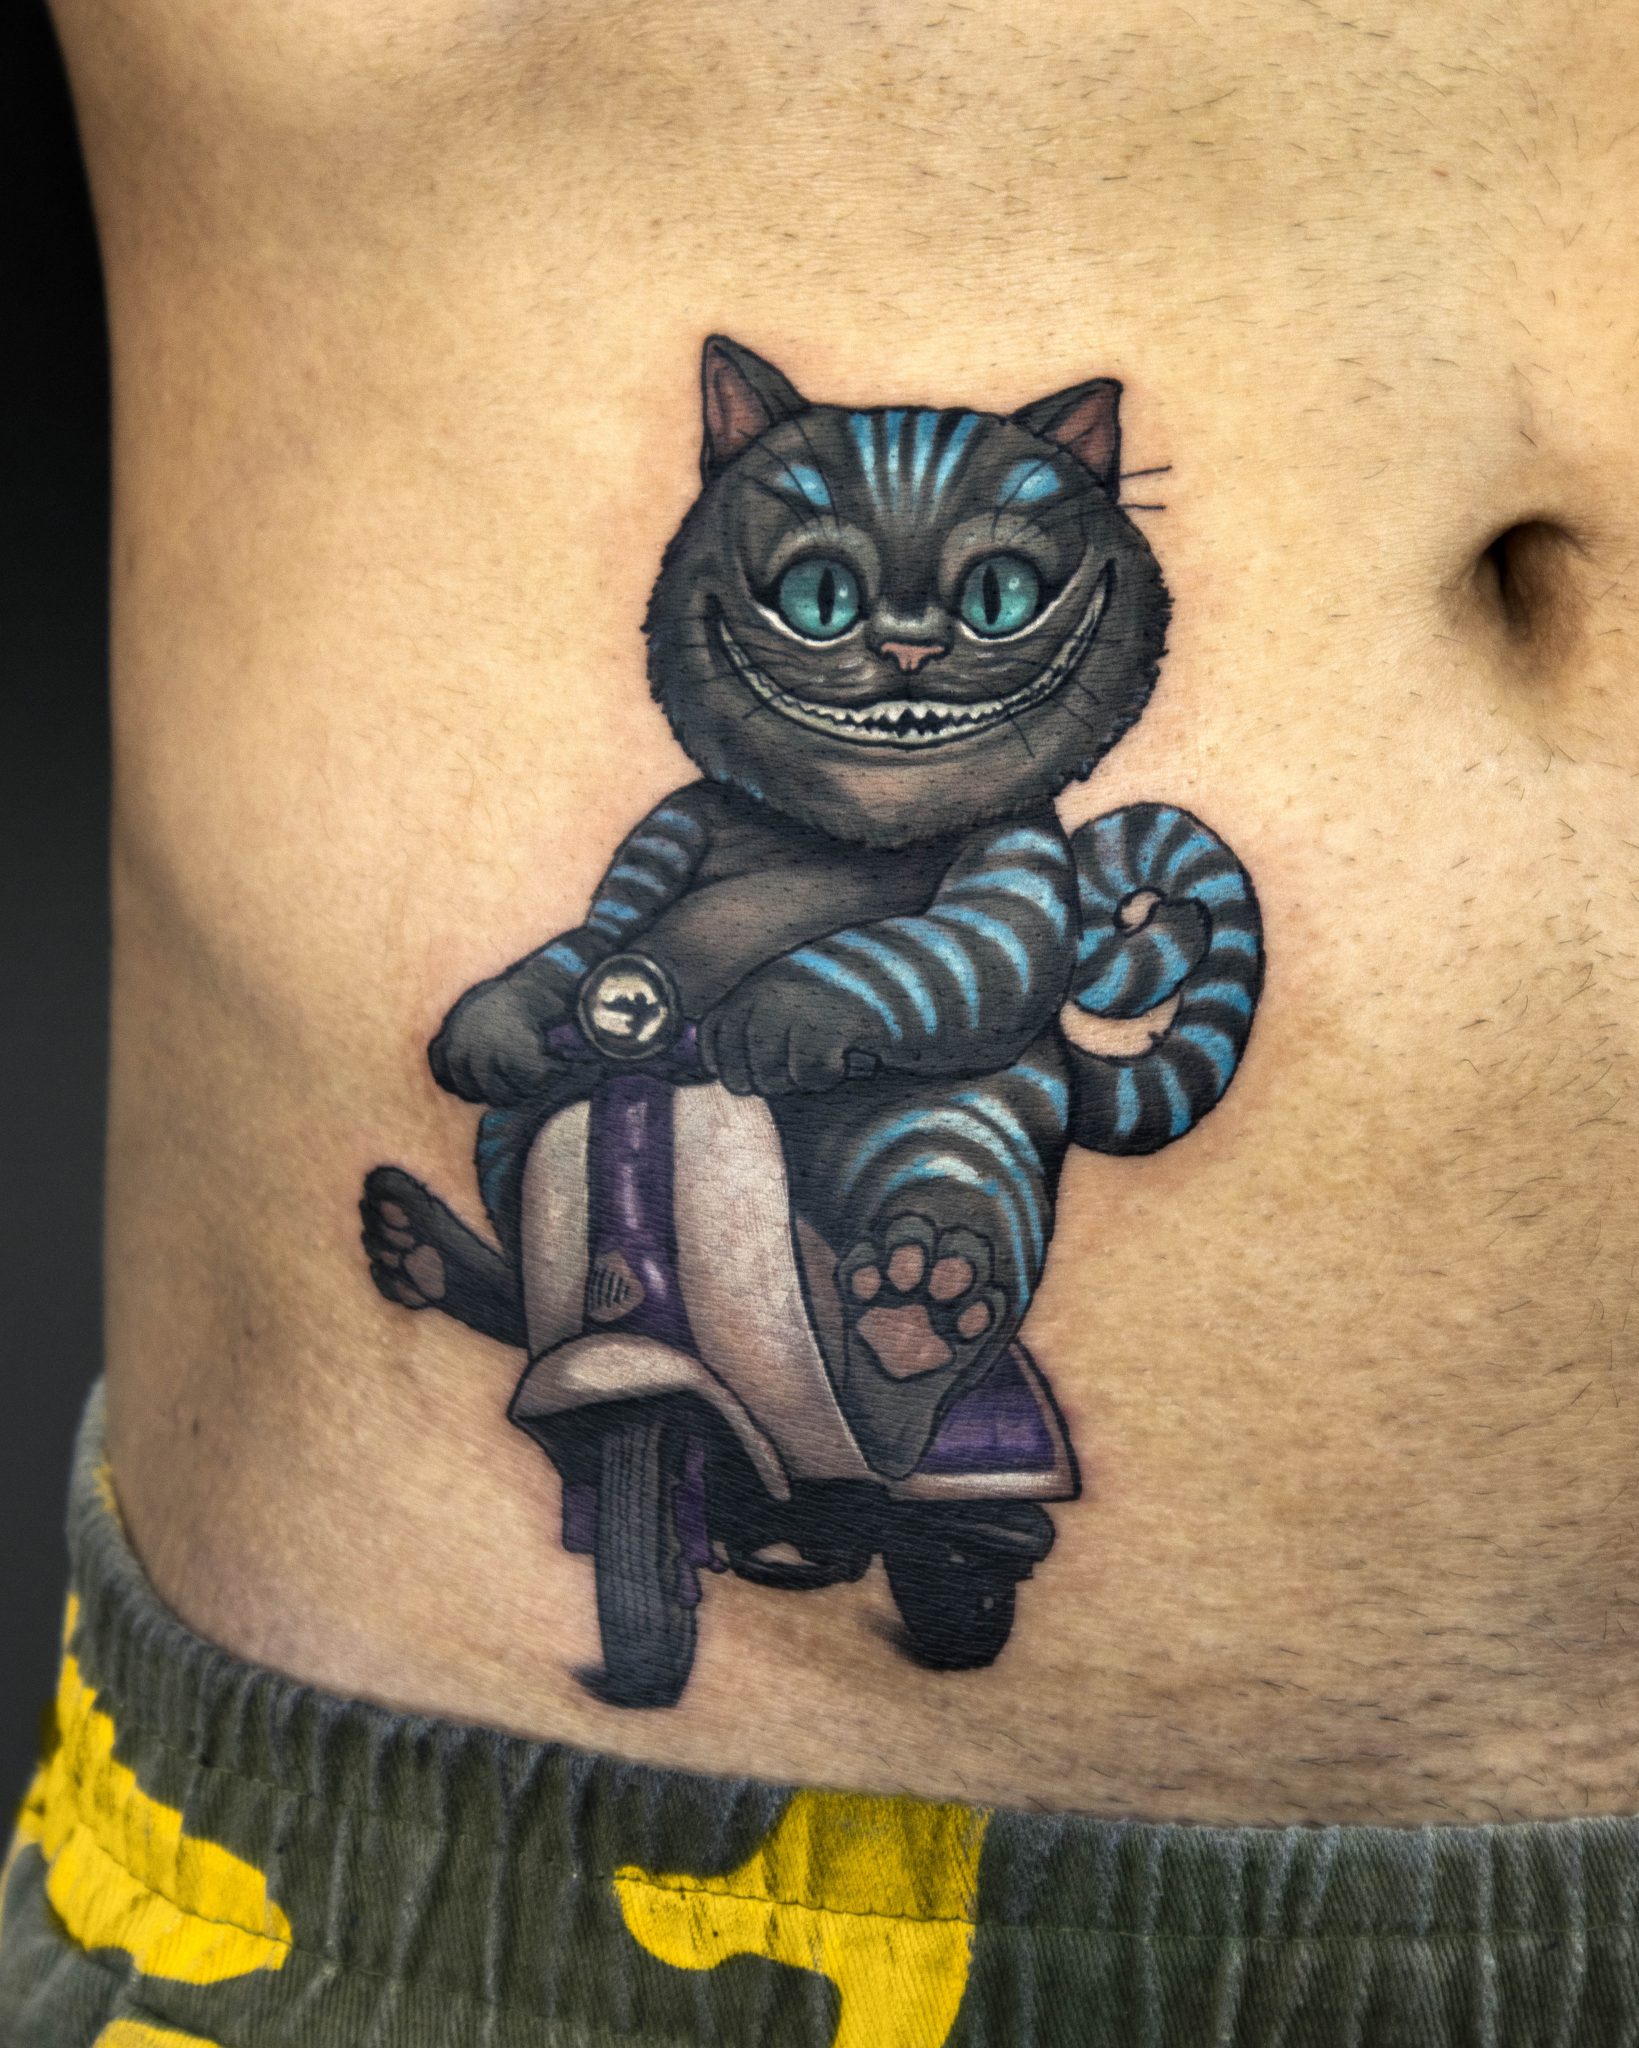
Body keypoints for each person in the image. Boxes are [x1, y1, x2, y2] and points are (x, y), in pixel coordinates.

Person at [6, 1, 1639, 2040]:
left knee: (955, 1134)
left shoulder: (1016, 857)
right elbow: (614, 929)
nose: (901, 649)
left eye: (982, 602)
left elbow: (996, 957)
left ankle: (929, 1323)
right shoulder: (702, 833)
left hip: (917, 1078)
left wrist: (840, 995)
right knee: (584, 1116)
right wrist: (533, 1000)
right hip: (507, 1906)